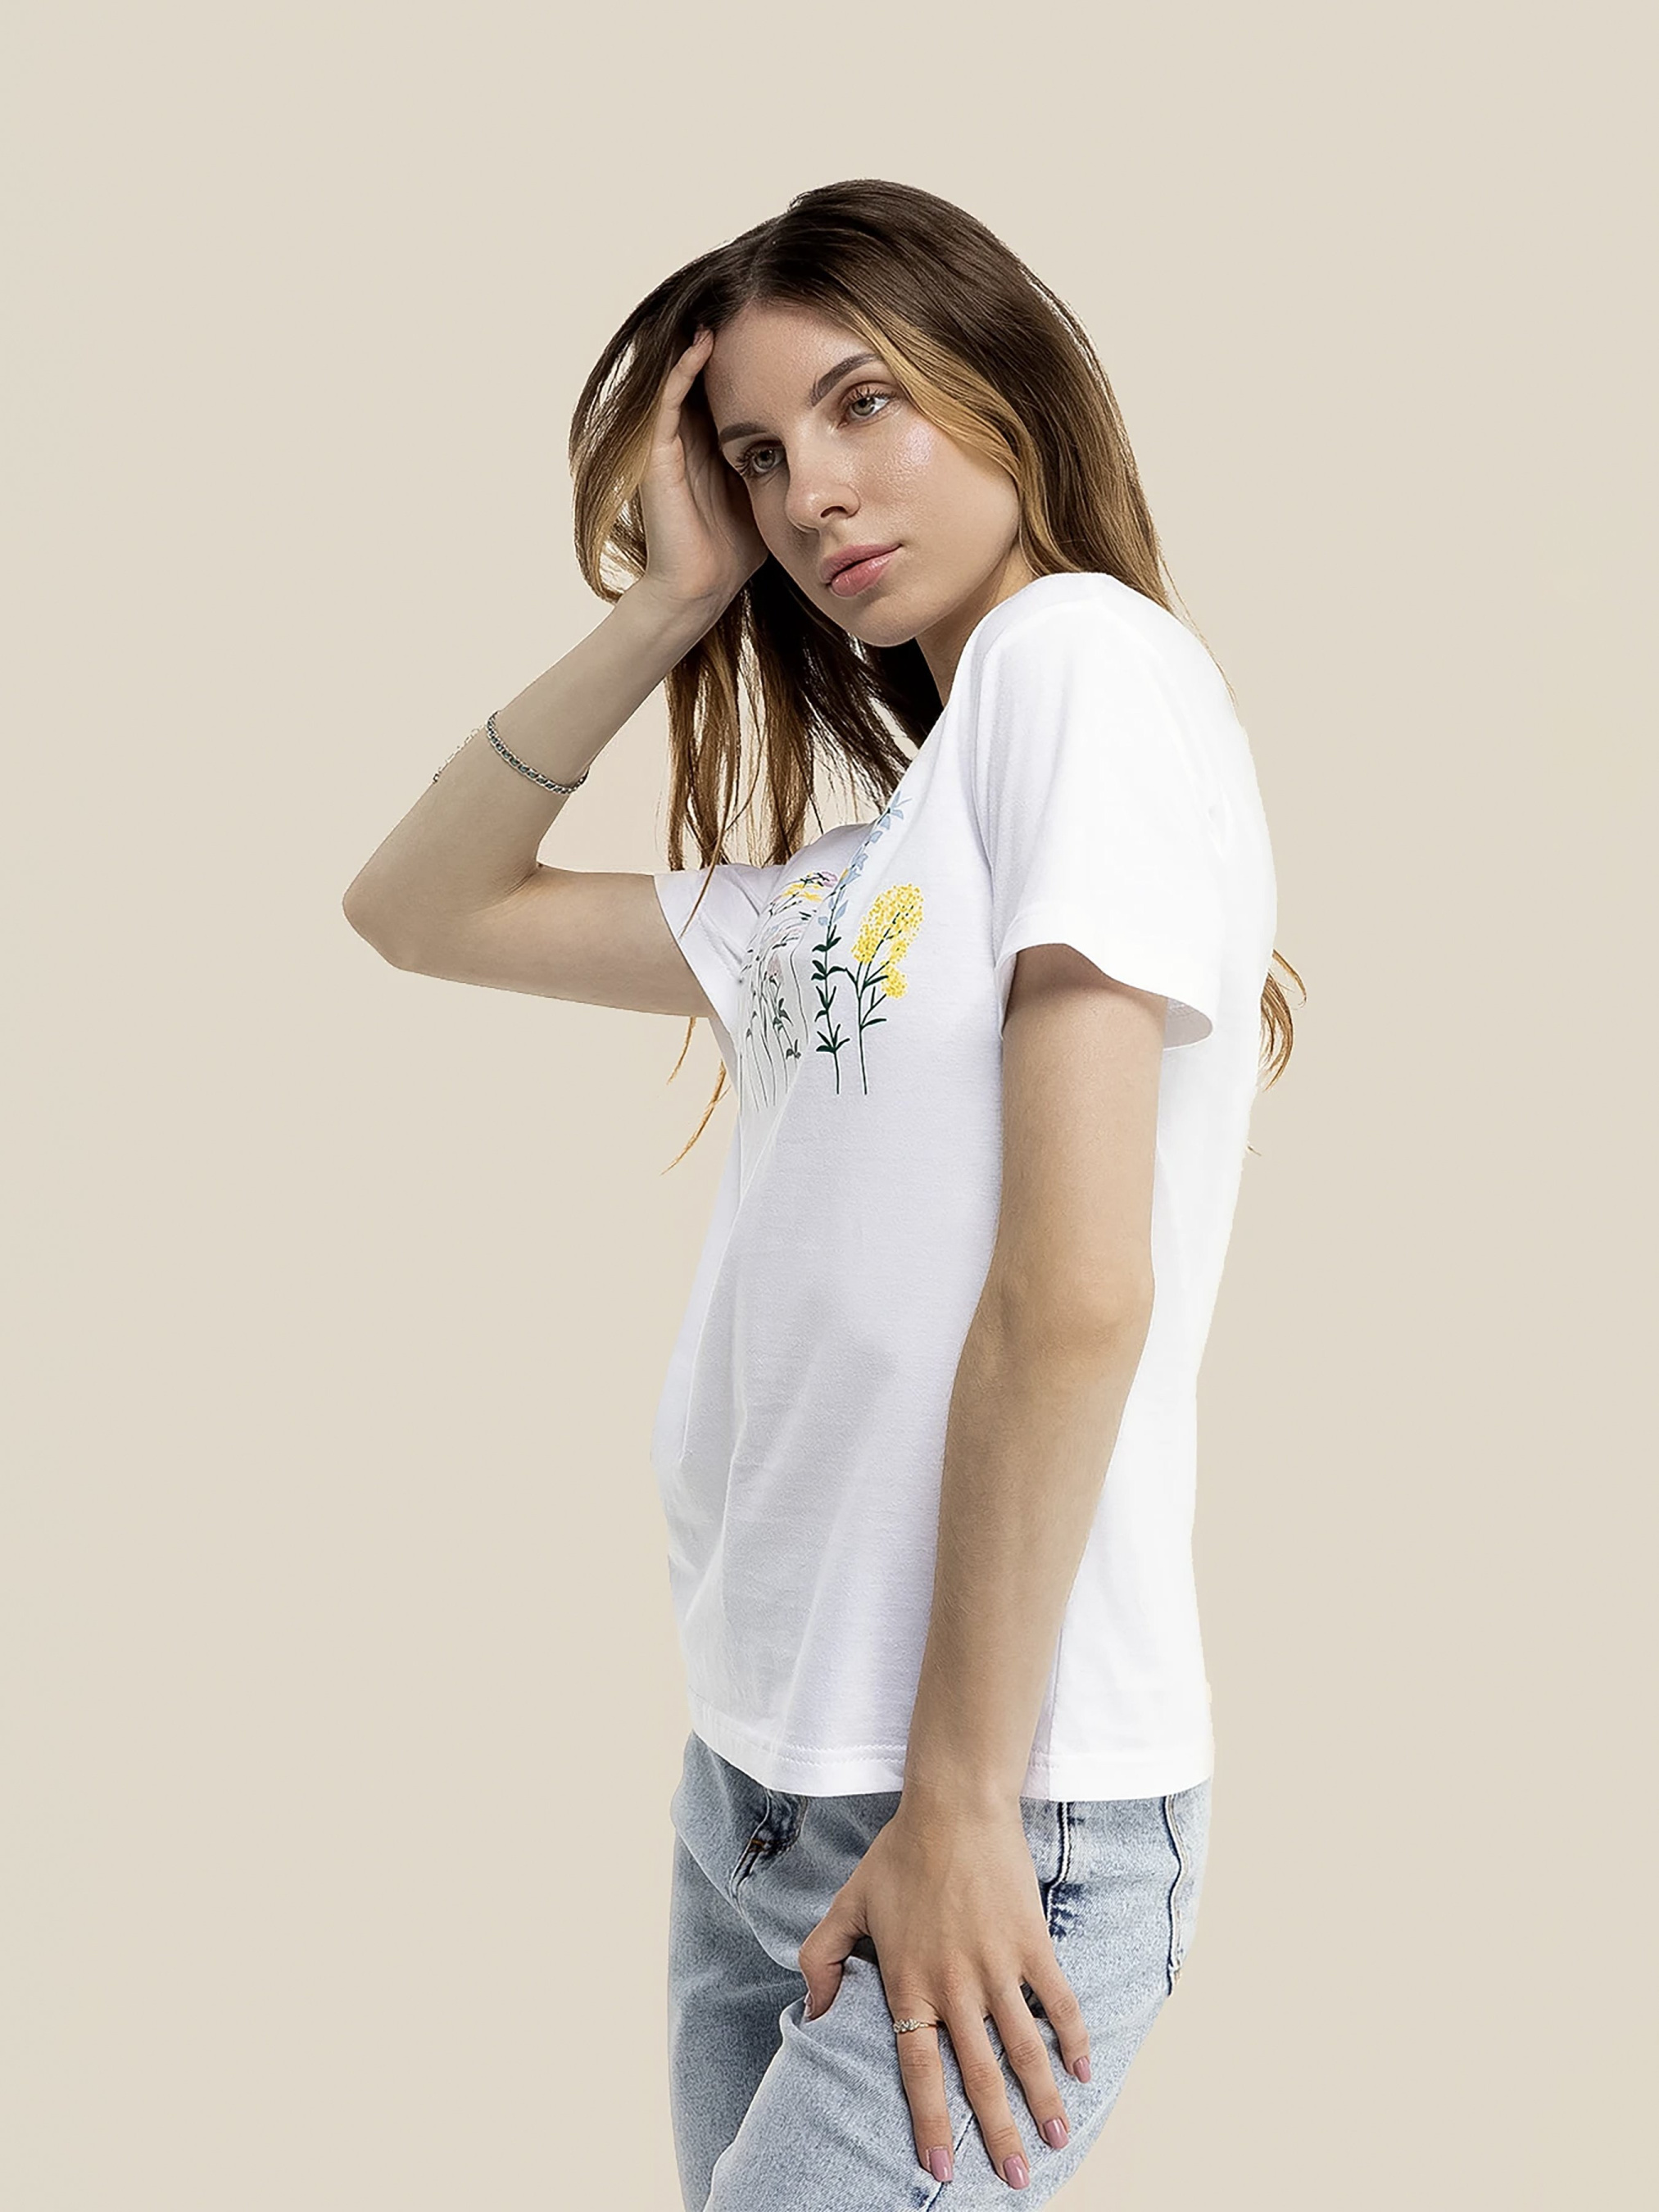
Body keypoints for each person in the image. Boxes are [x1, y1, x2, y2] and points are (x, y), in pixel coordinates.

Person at [342, 179, 1299, 2209]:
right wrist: (659, 609)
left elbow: (1074, 1292)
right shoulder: (874, 879)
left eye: (865, 404)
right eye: (758, 454)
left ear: (1005, 380)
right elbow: (418, 910)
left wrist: (957, 1800)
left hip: (982, 1801)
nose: (811, 495)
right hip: (757, 1786)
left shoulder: (1077, 662)